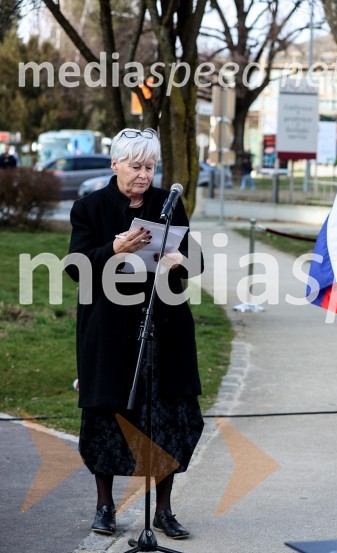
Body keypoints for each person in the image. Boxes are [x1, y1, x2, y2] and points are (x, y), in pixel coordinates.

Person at [65, 128, 204, 539]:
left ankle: (163, 510)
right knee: (108, 414)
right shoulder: (89, 207)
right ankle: (104, 506)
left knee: (166, 415)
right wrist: (114, 250)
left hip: (164, 323)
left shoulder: (168, 203)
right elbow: (75, 266)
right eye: (135, 166)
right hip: (109, 328)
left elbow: (194, 260)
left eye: (150, 167)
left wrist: (180, 258)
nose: (143, 175)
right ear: (115, 164)